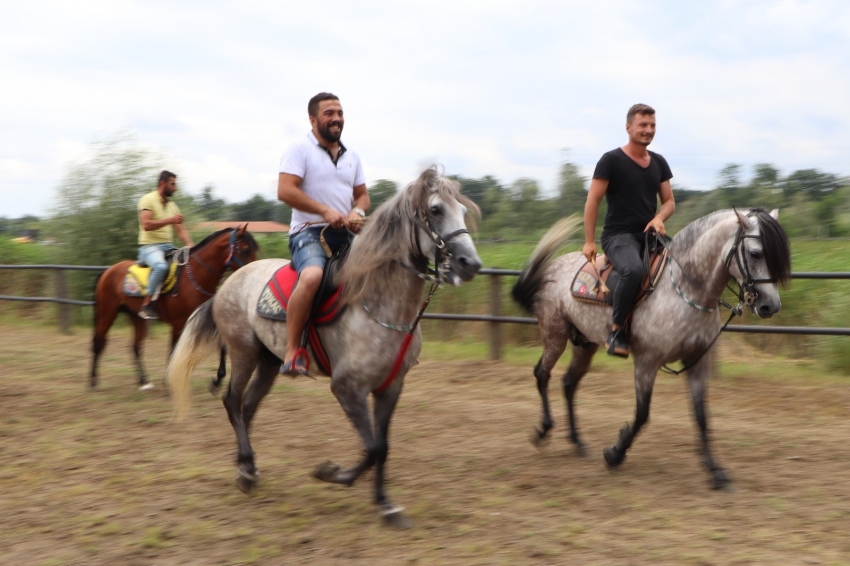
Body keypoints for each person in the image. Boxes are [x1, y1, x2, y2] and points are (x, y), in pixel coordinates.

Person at [277, 92, 370, 376]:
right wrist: (325, 211)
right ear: (313, 119)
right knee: (313, 277)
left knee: (384, 267)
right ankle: (293, 351)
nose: (337, 119)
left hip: (346, 235)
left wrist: (358, 213)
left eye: (340, 113)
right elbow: (285, 191)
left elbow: (363, 196)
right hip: (308, 233)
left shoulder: (352, 155)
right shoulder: (299, 150)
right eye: (329, 113)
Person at [583, 103, 675, 358]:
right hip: (618, 236)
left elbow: (669, 201)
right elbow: (593, 201)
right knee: (632, 269)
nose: (648, 130)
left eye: (652, 125)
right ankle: (616, 331)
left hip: (649, 234)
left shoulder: (659, 162)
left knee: (684, 261)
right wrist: (589, 241)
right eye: (643, 125)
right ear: (628, 127)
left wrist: (659, 217)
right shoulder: (611, 160)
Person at [137, 170, 194, 320]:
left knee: (189, 264)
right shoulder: (147, 200)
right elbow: (146, 225)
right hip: (149, 247)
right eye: (172, 184)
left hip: (168, 247)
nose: (175, 188)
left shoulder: (172, 206)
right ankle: (146, 305)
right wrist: (170, 220)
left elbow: (180, 231)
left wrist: (191, 246)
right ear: (162, 183)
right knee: (161, 266)